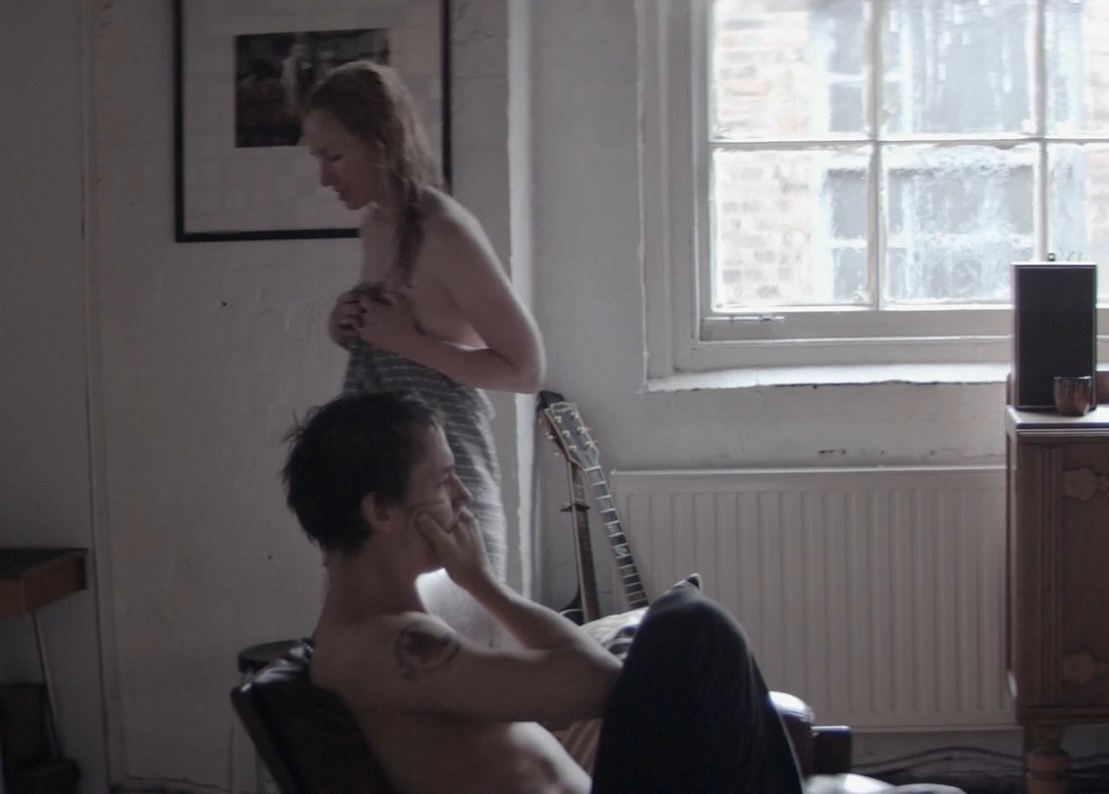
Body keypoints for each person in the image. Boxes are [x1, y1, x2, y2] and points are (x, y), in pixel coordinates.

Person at [283, 391, 805, 794]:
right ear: (381, 511)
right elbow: (599, 684)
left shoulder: (386, 633)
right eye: (444, 481)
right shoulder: (386, 647)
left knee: (690, 629)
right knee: (689, 625)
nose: (463, 497)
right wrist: (484, 584)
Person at [303, 61, 543, 645]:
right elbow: (390, 349)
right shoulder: (375, 228)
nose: (324, 177)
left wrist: (402, 340)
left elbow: (525, 369)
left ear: (378, 142)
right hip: (376, 489)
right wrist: (345, 323)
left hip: (445, 487)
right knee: (378, 668)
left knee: (453, 667)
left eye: (334, 156)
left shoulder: (444, 230)